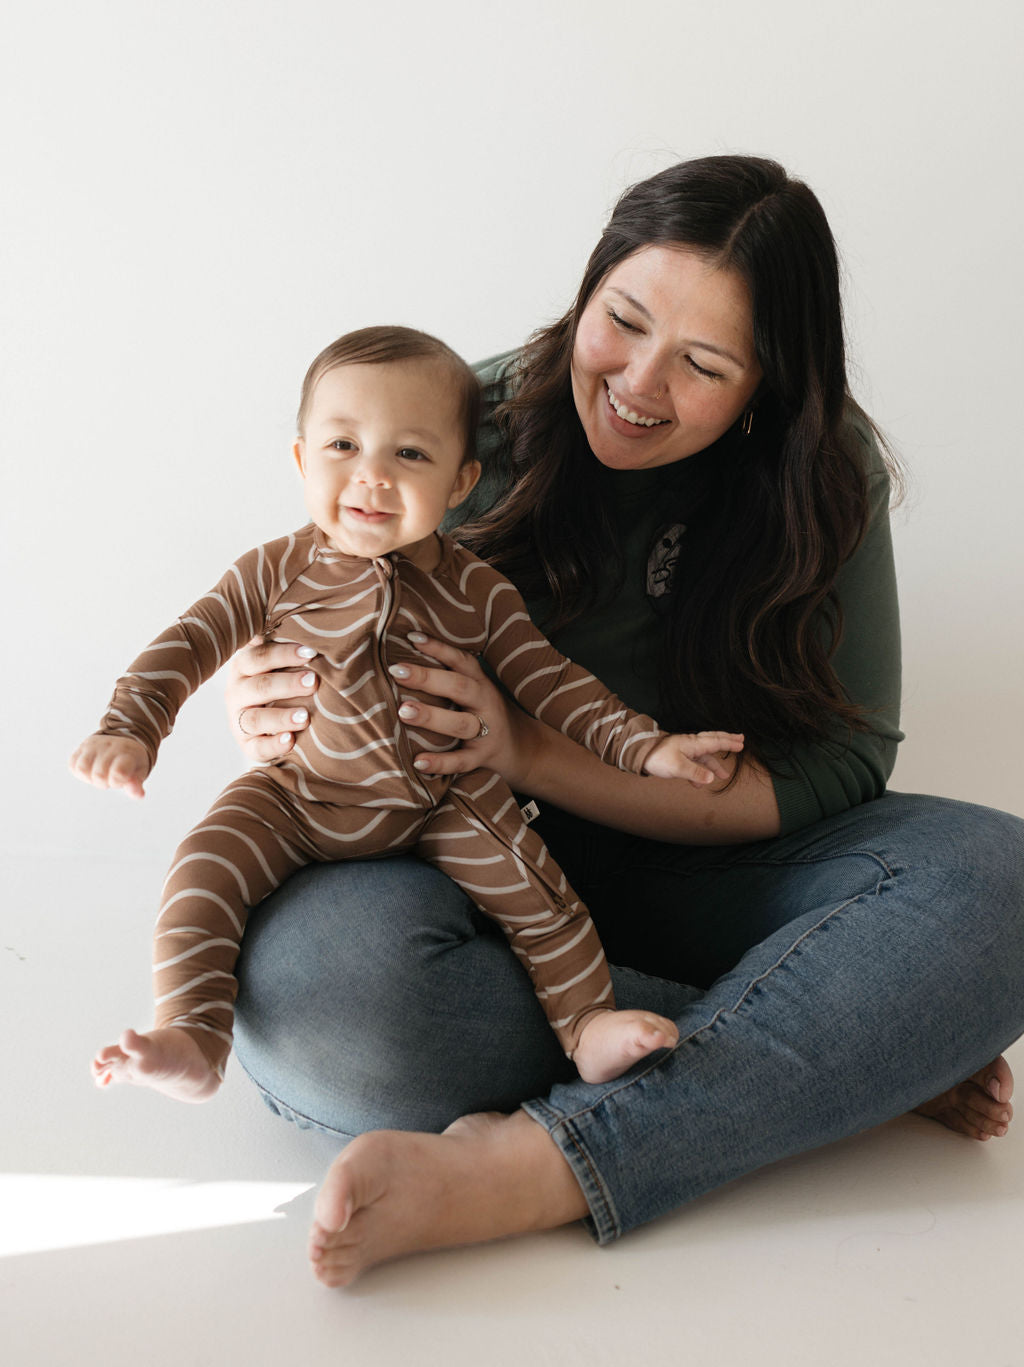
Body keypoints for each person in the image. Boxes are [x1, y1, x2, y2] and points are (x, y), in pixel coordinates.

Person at [225, 156, 1024, 1289]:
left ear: (766, 386)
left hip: (708, 869)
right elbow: (311, 594)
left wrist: (529, 746)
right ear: (588, 285)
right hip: (470, 872)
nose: (639, 382)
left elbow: (846, 758)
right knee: (324, 997)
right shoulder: (463, 420)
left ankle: (545, 1165)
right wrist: (266, 697)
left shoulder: (822, 466)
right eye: (623, 321)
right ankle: (852, 1045)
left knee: (999, 880)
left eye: (702, 364)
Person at [70, 327, 745, 1097]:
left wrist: (646, 748)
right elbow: (190, 641)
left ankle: (587, 1025)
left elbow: (553, 684)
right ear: (299, 459)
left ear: (461, 483)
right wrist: (129, 725)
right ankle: (192, 1033)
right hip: (295, 795)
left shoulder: (478, 590)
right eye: (343, 446)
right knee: (203, 866)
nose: (372, 478)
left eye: (410, 455)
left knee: (541, 891)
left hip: (439, 798)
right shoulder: (273, 570)